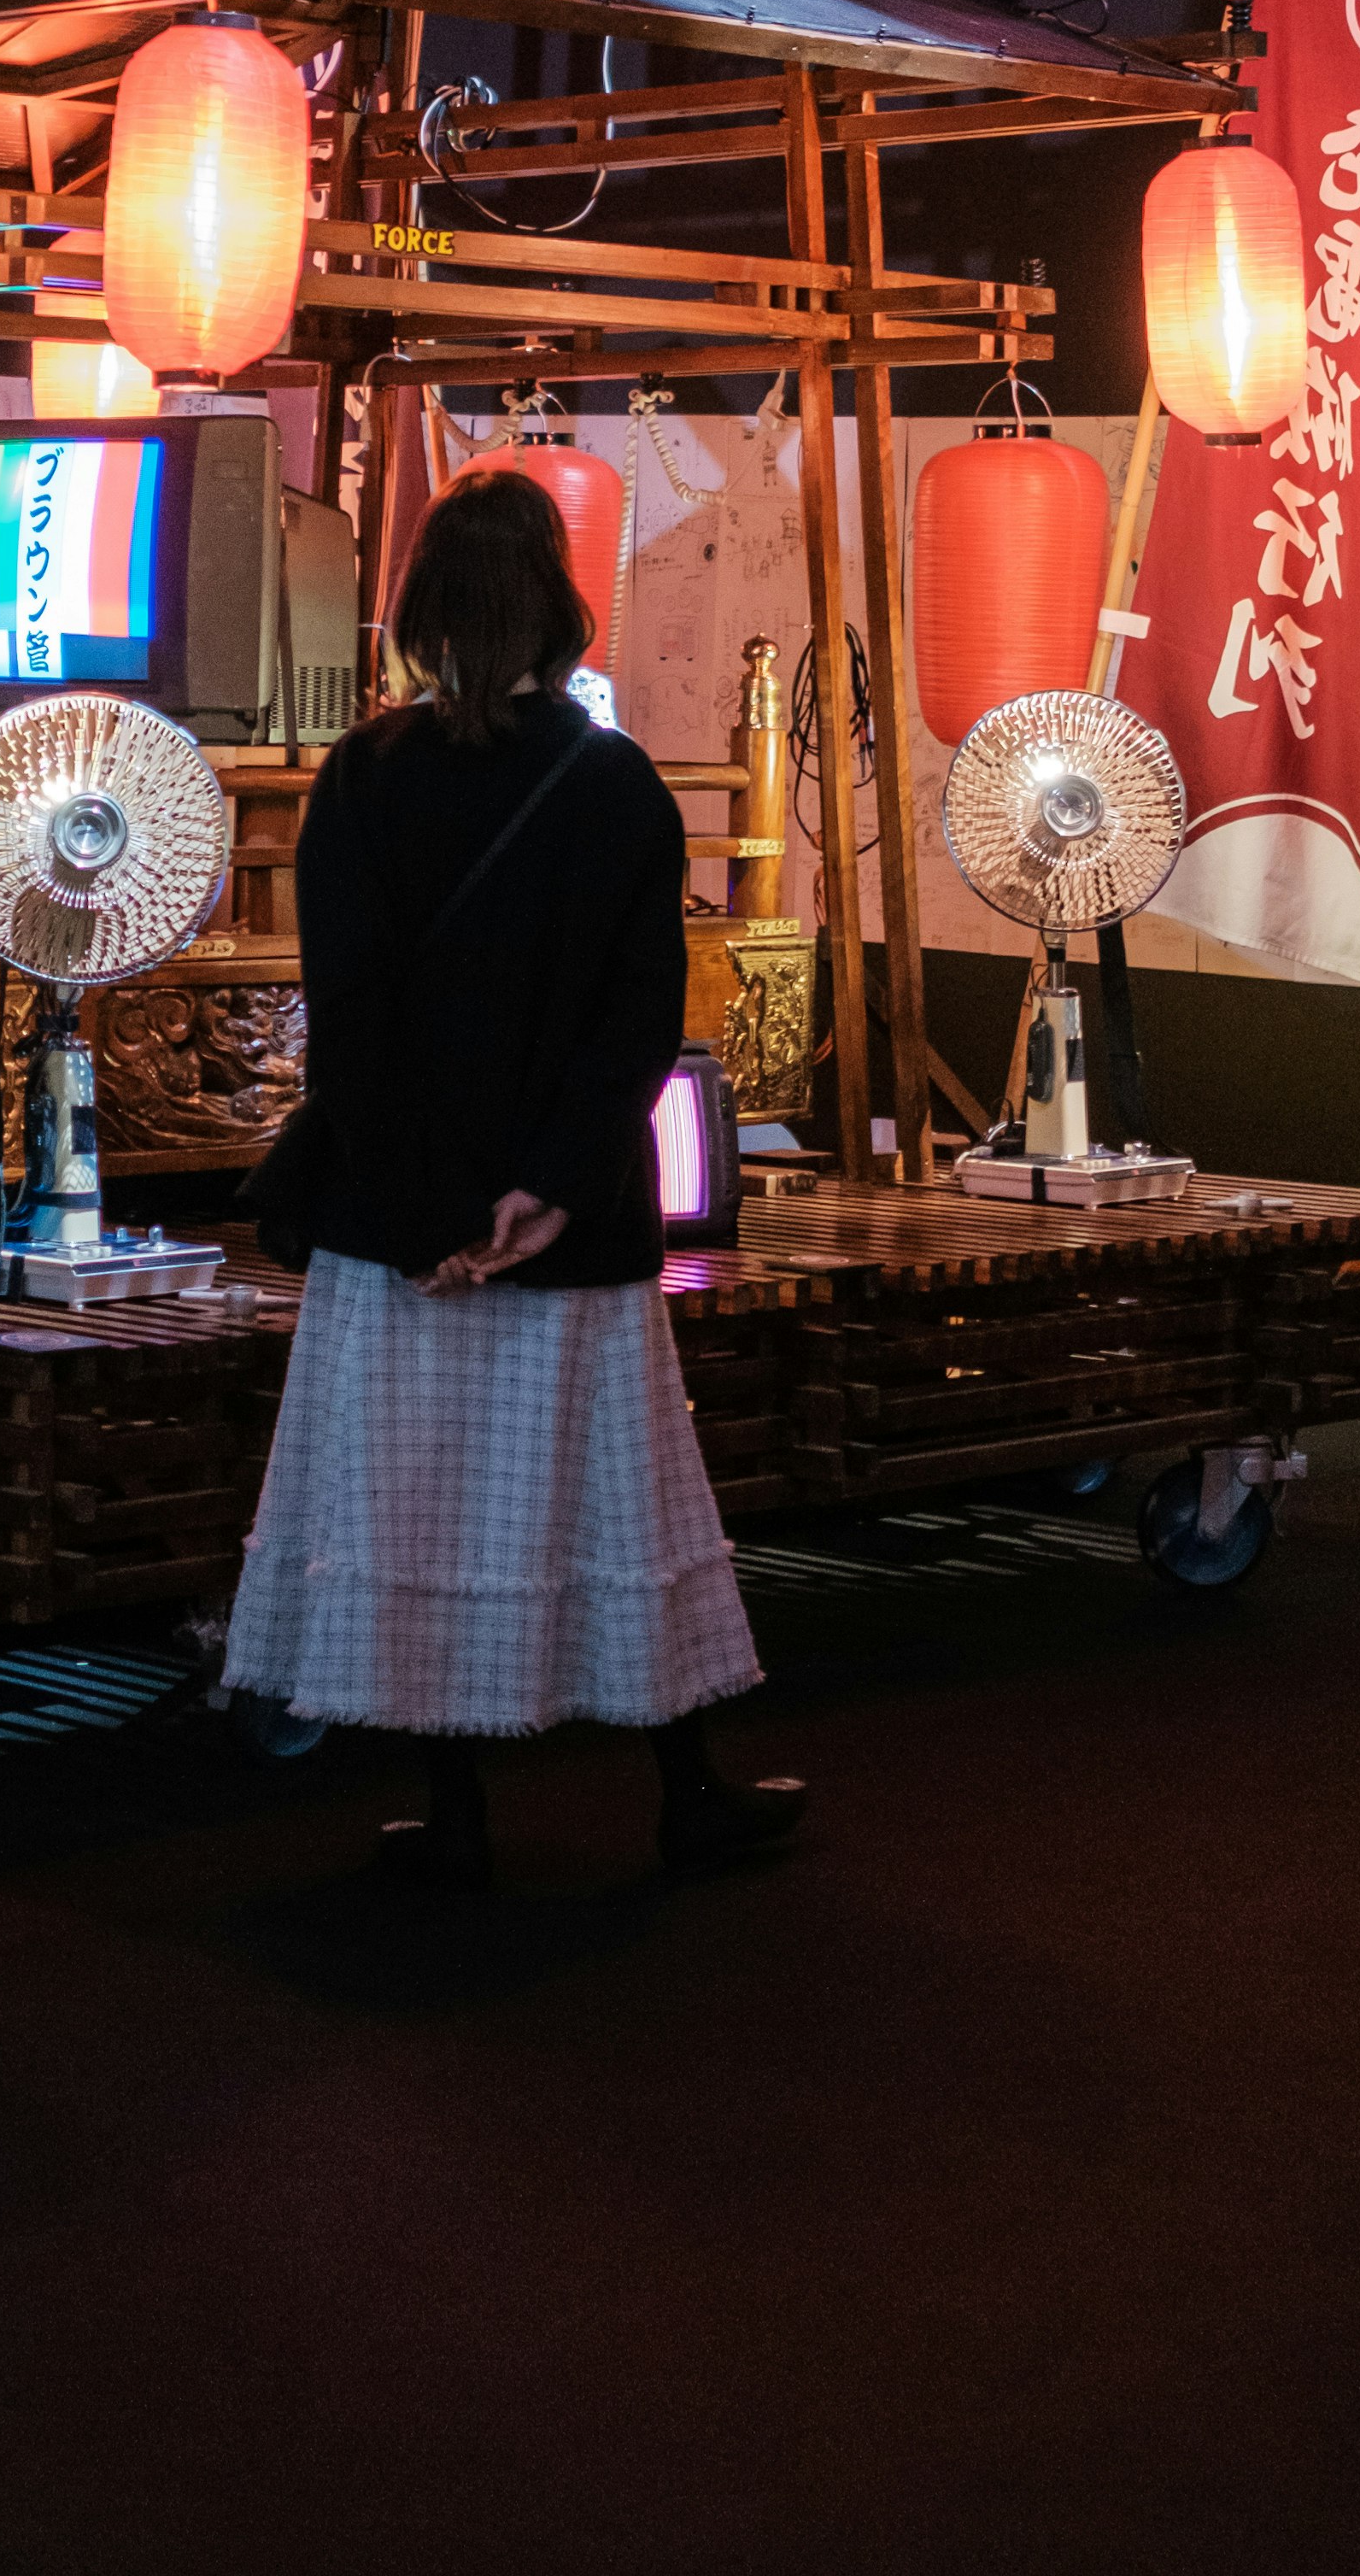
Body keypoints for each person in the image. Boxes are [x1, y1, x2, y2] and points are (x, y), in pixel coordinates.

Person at [226, 470, 803, 1887]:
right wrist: (544, 1189)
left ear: (419, 616)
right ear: (559, 608)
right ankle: (687, 1790)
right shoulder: (612, 784)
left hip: (394, 1218)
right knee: (624, 1498)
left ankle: (460, 1814)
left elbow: (348, 1019)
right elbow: (636, 1018)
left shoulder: (359, 776)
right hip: (571, 1218)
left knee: (414, 1508)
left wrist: (427, 1209)